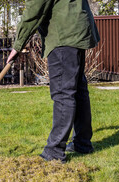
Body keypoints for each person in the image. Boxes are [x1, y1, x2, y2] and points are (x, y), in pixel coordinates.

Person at [6, 0, 100, 162]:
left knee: (63, 93)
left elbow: (35, 8)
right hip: (76, 29)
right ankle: (82, 143)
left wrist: (18, 44)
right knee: (77, 89)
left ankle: (55, 151)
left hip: (63, 34)